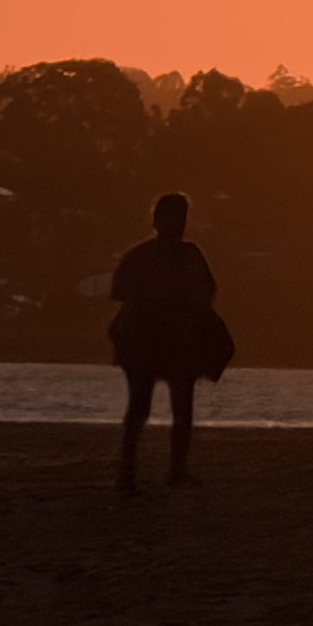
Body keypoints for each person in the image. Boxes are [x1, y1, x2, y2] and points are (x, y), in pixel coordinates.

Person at [108, 190, 231, 492]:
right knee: (178, 405)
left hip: (143, 338)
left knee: (140, 405)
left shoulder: (139, 254)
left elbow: (118, 291)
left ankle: (129, 471)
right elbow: (207, 291)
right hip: (175, 339)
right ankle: (172, 472)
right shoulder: (189, 254)